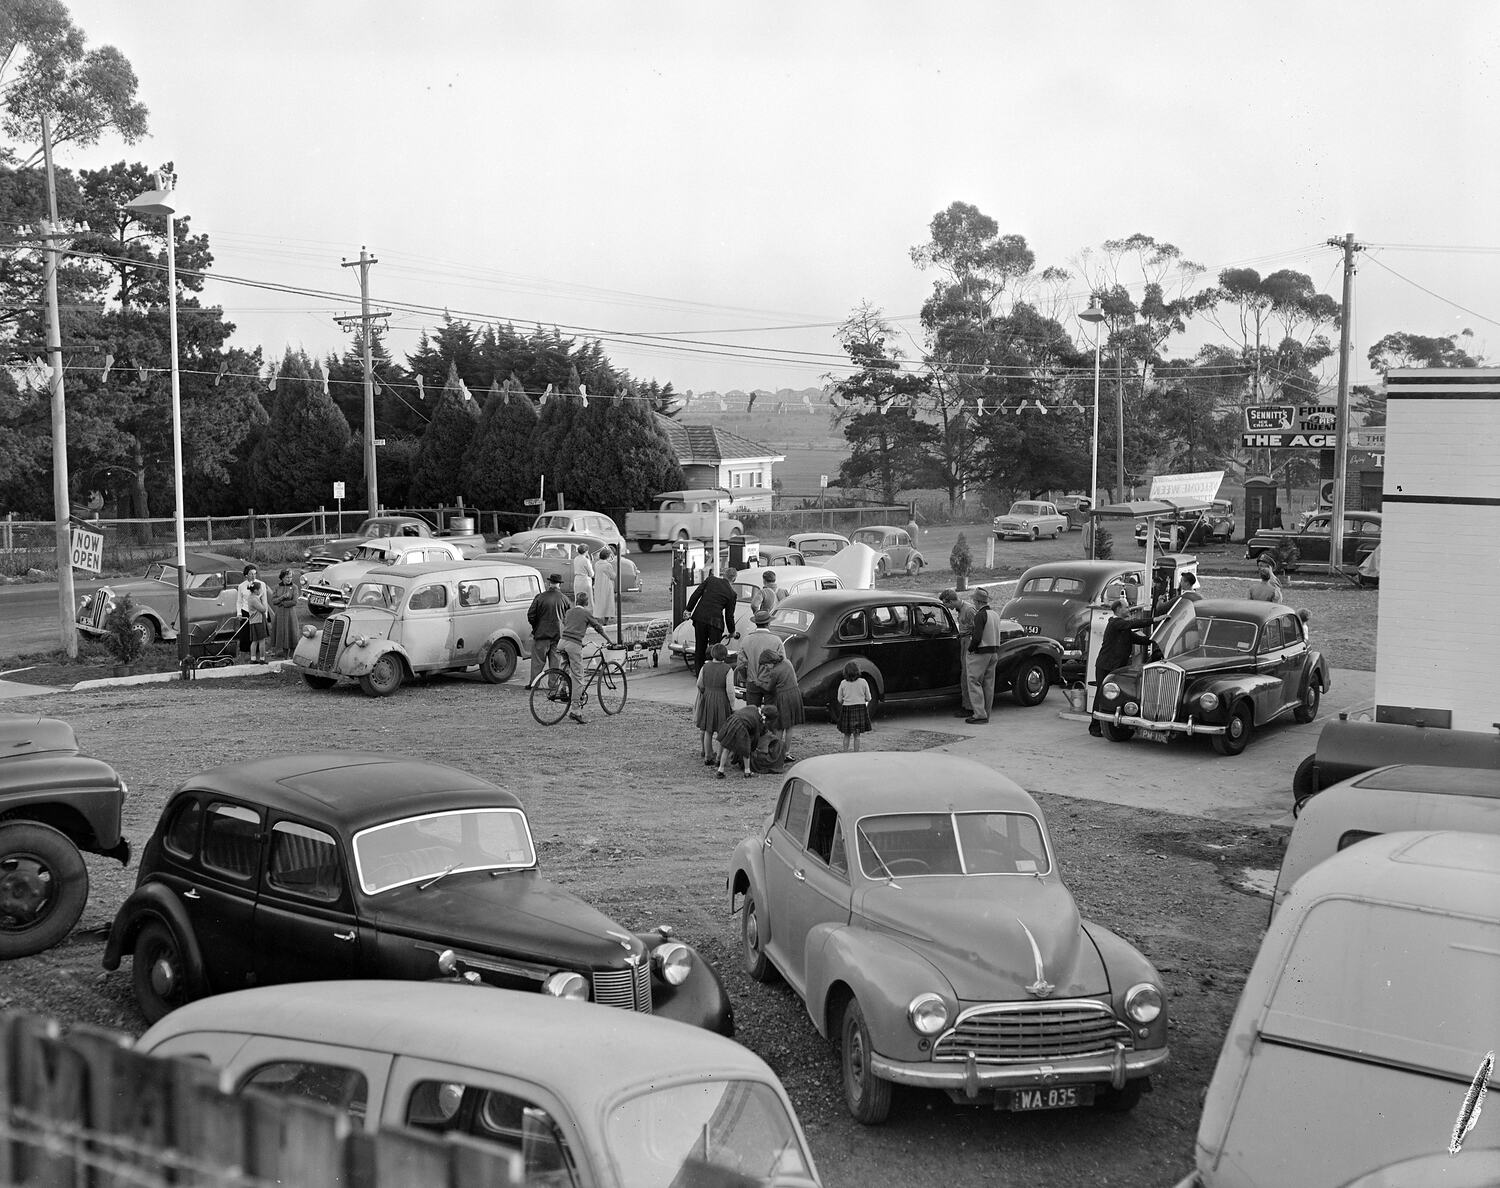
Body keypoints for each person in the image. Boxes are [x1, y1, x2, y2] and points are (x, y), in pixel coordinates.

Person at [1088, 598, 1154, 737]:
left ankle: (1113, 724)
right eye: (1126, 607)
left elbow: (1141, 640)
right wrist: (1154, 620)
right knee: (1101, 695)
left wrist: (1156, 639)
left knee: (1116, 695)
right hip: (1106, 666)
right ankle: (1094, 727)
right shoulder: (1115, 623)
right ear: (1118, 609)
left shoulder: (1124, 628)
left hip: (1117, 667)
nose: (1129, 609)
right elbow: (1132, 623)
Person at [558, 589, 609, 724]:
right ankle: (575, 710)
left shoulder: (569, 612)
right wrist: (609, 640)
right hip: (573, 644)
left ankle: (562, 686)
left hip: (562, 642)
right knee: (578, 676)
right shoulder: (586, 613)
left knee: (566, 665)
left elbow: (567, 625)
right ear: (586, 603)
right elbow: (598, 628)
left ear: (576, 601)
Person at [685, 565, 737, 674]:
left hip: (700, 618)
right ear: (734, 579)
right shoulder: (732, 594)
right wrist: (732, 631)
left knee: (700, 647)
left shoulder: (710, 580)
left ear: (723, 575)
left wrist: (688, 609)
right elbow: (729, 615)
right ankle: (712, 674)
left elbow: (696, 594)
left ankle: (699, 674)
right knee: (714, 650)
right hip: (715, 623)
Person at [963, 587, 1005, 724]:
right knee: (988, 684)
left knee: (974, 681)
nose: (974, 603)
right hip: (994, 652)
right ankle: (986, 713)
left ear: (978, 601)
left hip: (981, 652)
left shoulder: (980, 615)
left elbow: (977, 637)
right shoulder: (995, 614)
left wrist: (970, 649)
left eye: (974, 601)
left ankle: (979, 714)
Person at [756, 648, 805, 760]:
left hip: (783, 697)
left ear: (770, 661)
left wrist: (759, 683)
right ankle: (787, 753)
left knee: (779, 726)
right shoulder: (787, 662)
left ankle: (777, 753)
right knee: (789, 727)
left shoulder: (774, 671)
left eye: (766, 665)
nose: (766, 668)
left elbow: (769, 688)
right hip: (795, 693)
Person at [695, 642, 736, 767]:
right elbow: (730, 690)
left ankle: (708, 756)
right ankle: (719, 757)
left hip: (708, 698)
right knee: (722, 730)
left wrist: (706, 692)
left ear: (712, 654)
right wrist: (732, 705)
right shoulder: (728, 669)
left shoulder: (705, 667)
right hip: (722, 700)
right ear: (725, 655)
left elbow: (699, 683)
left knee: (708, 729)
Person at [527, 573, 571, 683]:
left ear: (549, 583)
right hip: (557, 636)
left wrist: (536, 627)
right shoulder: (564, 599)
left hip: (541, 634)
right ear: (559, 584)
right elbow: (569, 618)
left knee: (537, 662)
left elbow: (531, 615)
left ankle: (534, 684)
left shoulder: (539, 597)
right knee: (555, 663)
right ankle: (553, 685)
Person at [715, 704, 779, 780]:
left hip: (732, 721)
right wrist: (753, 748)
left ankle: (720, 770)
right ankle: (747, 771)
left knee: (727, 747)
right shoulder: (757, 720)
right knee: (746, 749)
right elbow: (755, 737)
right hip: (741, 726)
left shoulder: (753, 707)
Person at [939, 588, 977, 717]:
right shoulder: (962, 610)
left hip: (969, 641)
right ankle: (966, 704)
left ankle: (970, 707)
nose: (947, 607)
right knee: (964, 675)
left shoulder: (969, 610)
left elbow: (977, 630)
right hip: (964, 640)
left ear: (951, 601)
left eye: (946, 604)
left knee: (967, 675)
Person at [235, 564, 271, 664]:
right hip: (246, 612)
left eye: (255, 573)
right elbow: (239, 601)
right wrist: (239, 613)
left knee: (259, 636)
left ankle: (258, 657)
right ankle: (243, 658)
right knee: (245, 636)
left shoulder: (261, 584)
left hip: (258, 613)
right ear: (246, 575)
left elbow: (264, 601)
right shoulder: (241, 586)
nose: (253, 576)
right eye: (251, 574)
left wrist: (266, 614)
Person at [836, 661, 873, 752]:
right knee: (857, 736)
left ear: (845, 672)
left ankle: (845, 753)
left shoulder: (843, 683)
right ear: (857, 671)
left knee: (846, 735)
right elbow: (869, 698)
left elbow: (839, 699)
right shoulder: (863, 682)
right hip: (860, 710)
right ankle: (856, 755)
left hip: (847, 710)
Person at [268, 569, 300, 658]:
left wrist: (282, 603)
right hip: (280, 614)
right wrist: (282, 597)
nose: (289, 579)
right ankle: (284, 654)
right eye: (287, 577)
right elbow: (273, 601)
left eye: (291, 577)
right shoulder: (277, 587)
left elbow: (295, 602)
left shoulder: (294, 587)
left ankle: (292, 654)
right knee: (282, 632)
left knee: (292, 632)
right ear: (282, 578)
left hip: (290, 614)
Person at [592, 547, 617, 625]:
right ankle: (606, 619)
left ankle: (597, 616)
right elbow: (612, 576)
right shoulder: (607, 565)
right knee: (607, 601)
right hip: (606, 585)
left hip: (598, 584)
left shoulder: (597, 564)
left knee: (599, 601)